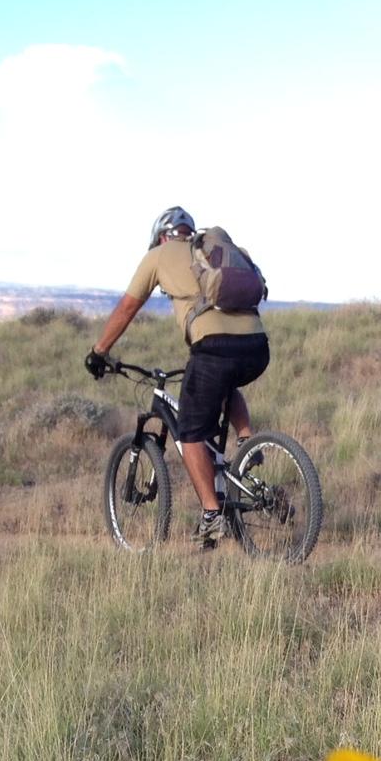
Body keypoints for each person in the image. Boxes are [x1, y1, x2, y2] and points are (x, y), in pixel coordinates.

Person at [85, 206, 270, 550]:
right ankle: (248, 444)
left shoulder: (158, 255)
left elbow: (127, 308)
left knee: (190, 430)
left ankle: (212, 516)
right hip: (258, 346)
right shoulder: (210, 248)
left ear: (161, 237)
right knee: (223, 380)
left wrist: (99, 352)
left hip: (213, 348)